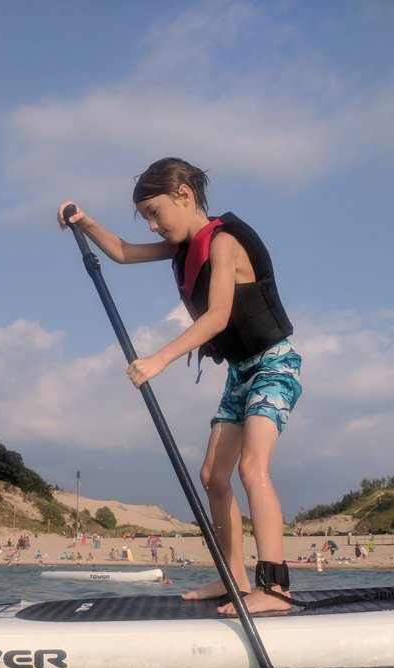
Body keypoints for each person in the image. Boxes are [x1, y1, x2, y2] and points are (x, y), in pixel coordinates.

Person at [59, 157, 302, 615]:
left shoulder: (225, 242)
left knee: (252, 469)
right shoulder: (182, 249)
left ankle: (275, 589)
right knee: (213, 476)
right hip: (240, 372)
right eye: (146, 216)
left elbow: (217, 317)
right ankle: (232, 577)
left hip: (274, 366)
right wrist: (85, 222)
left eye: (155, 212)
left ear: (184, 195)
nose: (152, 225)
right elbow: (124, 253)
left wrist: (158, 360)